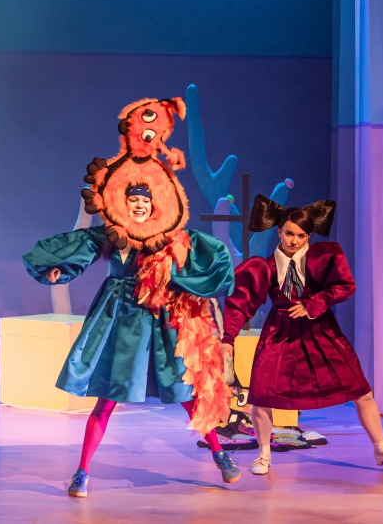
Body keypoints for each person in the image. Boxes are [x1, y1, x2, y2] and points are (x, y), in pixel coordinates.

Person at [24, 184, 239, 497]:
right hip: (118, 318)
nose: (139, 205)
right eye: (133, 200)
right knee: (107, 399)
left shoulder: (167, 234)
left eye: (144, 201)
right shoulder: (111, 234)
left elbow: (210, 253)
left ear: (154, 205)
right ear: (122, 204)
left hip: (159, 320)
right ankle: (82, 471)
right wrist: (58, 269)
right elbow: (78, 249)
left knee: (184, 391)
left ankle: (219, 453)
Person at [222, 196, 383, 475]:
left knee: (361, 391)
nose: (294, 241)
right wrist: (228, 339)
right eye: (289, 233)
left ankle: (382, 448)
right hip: (280, 333)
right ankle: (264, 455)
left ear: (309, 237)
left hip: (321, 332)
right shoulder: (265, 267)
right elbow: (240, 302)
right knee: (261, 397)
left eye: (301, 236)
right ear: (278, 232)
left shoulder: (322, 258)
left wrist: (313, 304)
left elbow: (345, 286)